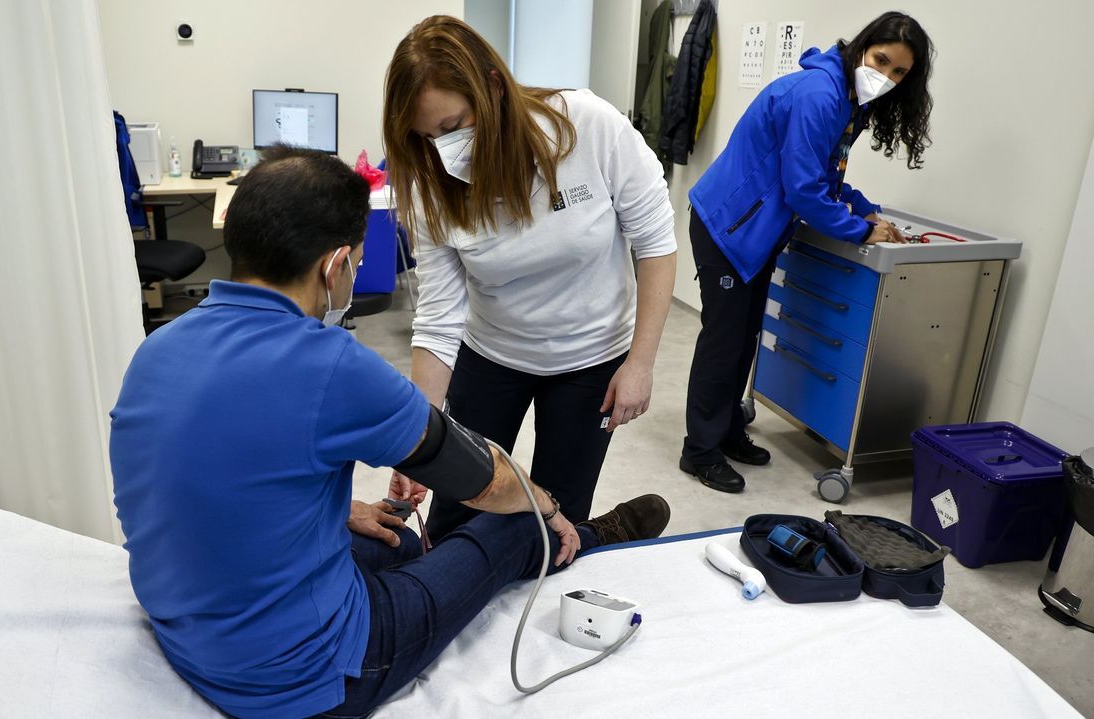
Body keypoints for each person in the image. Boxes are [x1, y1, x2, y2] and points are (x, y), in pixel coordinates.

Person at [108, 146, 671, 719]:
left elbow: (195, 480)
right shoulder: (331, 366)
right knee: (514, 521)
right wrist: (545, 504)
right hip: (309, 681)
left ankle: (479, 546)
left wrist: (341, 511)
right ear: (336, 266)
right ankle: (585, 536)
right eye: (354, 262)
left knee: (398, 539)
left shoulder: (159, 349)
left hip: (190, 639)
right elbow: (484, 480)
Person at [382, 15, 678, 541]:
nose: (441, 149)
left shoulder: (586, 126)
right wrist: (416, 438)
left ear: (493, 87)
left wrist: (641, 364)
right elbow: (437, 321)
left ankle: (592, 537)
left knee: (557, 516)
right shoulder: (431, 186)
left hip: (591, 358)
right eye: (425, 137)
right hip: (492, 353)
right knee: (456, 507)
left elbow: (656, 246)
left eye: (451, 128)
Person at [680, 12, 934, 493]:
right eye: (881, 60)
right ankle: (700, 451)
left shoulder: (847, 100)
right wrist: (859, 231)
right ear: (863, 48)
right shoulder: (820, 95)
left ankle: (728, 430)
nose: (887, 76)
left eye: (900, 72)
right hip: (729, 228)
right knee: (723, 342)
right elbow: (802, 191)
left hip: (757, 229)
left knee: (744, 336)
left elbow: (826, 174)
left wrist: (867, 211)